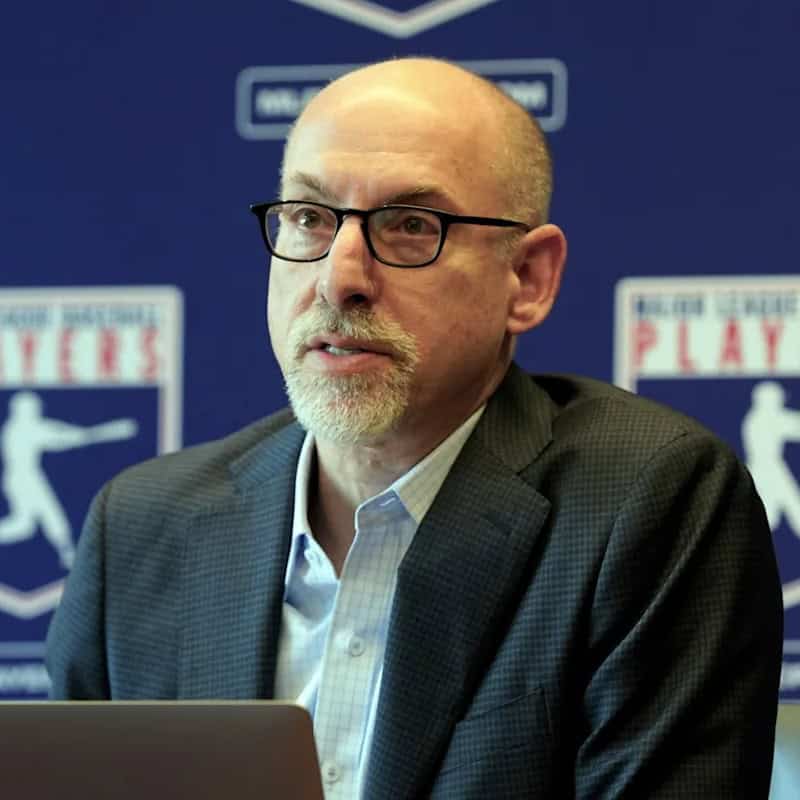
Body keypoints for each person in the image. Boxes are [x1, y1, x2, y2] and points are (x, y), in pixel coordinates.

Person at [46, 58, 783, 798]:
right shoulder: (142, 527)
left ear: (527, 280)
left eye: (409, 227)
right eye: (309, 218)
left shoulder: (646, 503)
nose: (339, 278)